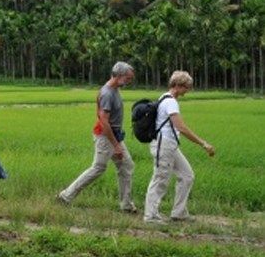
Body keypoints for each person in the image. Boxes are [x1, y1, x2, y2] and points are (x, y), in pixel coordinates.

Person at [58, 62, 137, 213]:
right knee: (98, 167)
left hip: (113, 136)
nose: (129, 81)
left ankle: (126, 205)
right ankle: (65, 196)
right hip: (105, 136)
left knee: (126, 165)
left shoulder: (114, 89)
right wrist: (116, 145)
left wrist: (117, 141)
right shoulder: (107, 93)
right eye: (127, 78)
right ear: (119, 76)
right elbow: (103, 121)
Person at [143, 71, 215, 224]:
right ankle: (150, 216)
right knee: (160, 178)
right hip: (164, 145)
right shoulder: (170, 102)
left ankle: (179, 213)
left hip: (171, 145)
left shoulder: (165, 98)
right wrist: (203, 143)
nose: (188, 90)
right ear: (177, 85)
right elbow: (181, 127)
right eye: (186, 87)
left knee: (187, 175)